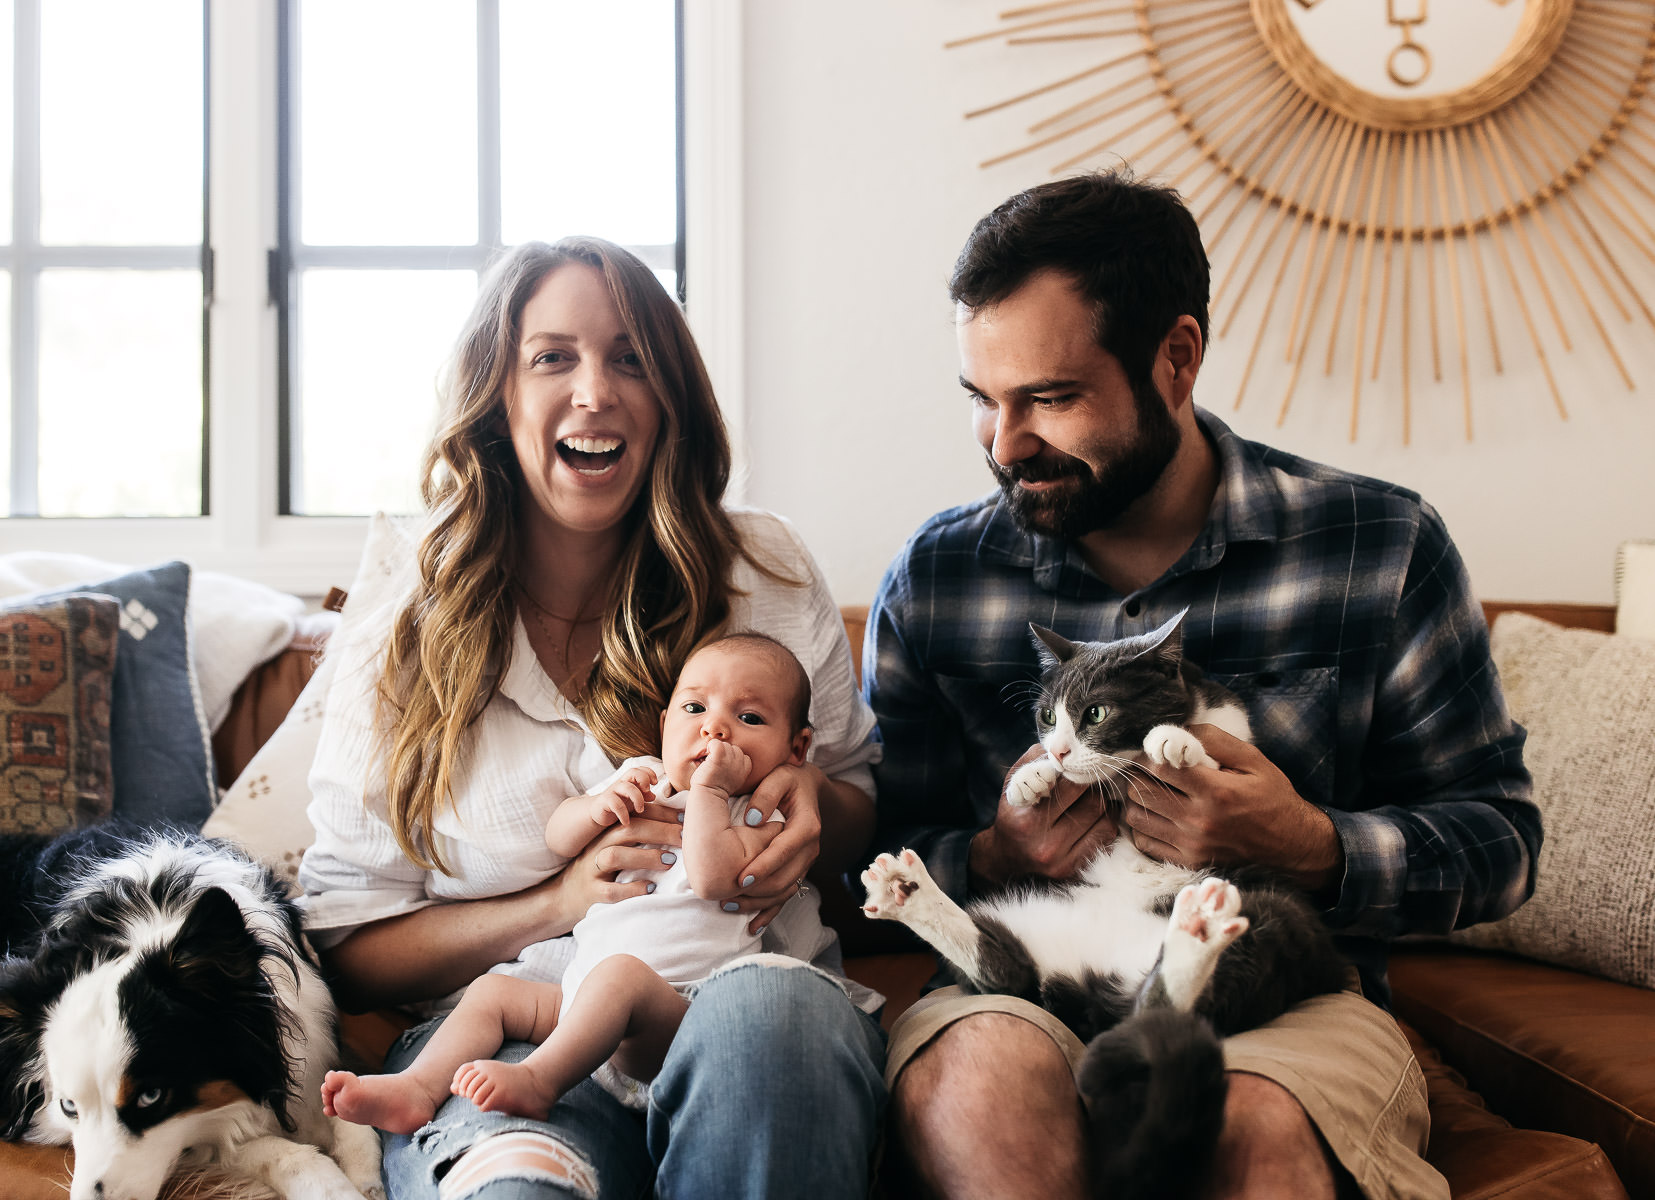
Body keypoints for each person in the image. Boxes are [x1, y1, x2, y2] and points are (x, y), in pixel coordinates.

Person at [865, 171, 1538, 1200]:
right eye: (981, 402)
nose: (1003, 447)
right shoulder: (939, 577)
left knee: (1248, 1124)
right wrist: (996, 853)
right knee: (981, 1087)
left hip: (1284, 1000)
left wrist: (1310, 845)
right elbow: (873, 852)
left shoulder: (1377, 544)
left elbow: (1499, 845)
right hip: (1027, 973)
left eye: (1047, 398)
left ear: (1174, 359)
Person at [297, 237, 886, 1200]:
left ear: (670, 400)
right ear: (498, 396)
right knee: (516, 1192)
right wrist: (554, 906)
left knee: (765, 1025)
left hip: (752, 1015)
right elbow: (348, 946)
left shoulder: (764, 574)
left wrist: (815, 795)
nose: (595, 391)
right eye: (553, 357)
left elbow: (861, 809)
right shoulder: (400, 632)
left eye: (631, 358)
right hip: (522, 1036)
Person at [320, 632, 828, 1129]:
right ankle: (418, 1087)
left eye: (750, 718)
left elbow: (715, 879)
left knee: (621, 976)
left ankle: (539, 1082)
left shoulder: (764, 817)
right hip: (581, 1000)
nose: (715, 730)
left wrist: (711, 792)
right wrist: (594, 810)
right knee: (495, 992)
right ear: (665, 721)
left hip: (683, 1015)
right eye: (695, 710)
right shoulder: (645, 777)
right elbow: (559, 837)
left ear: (795, 748)